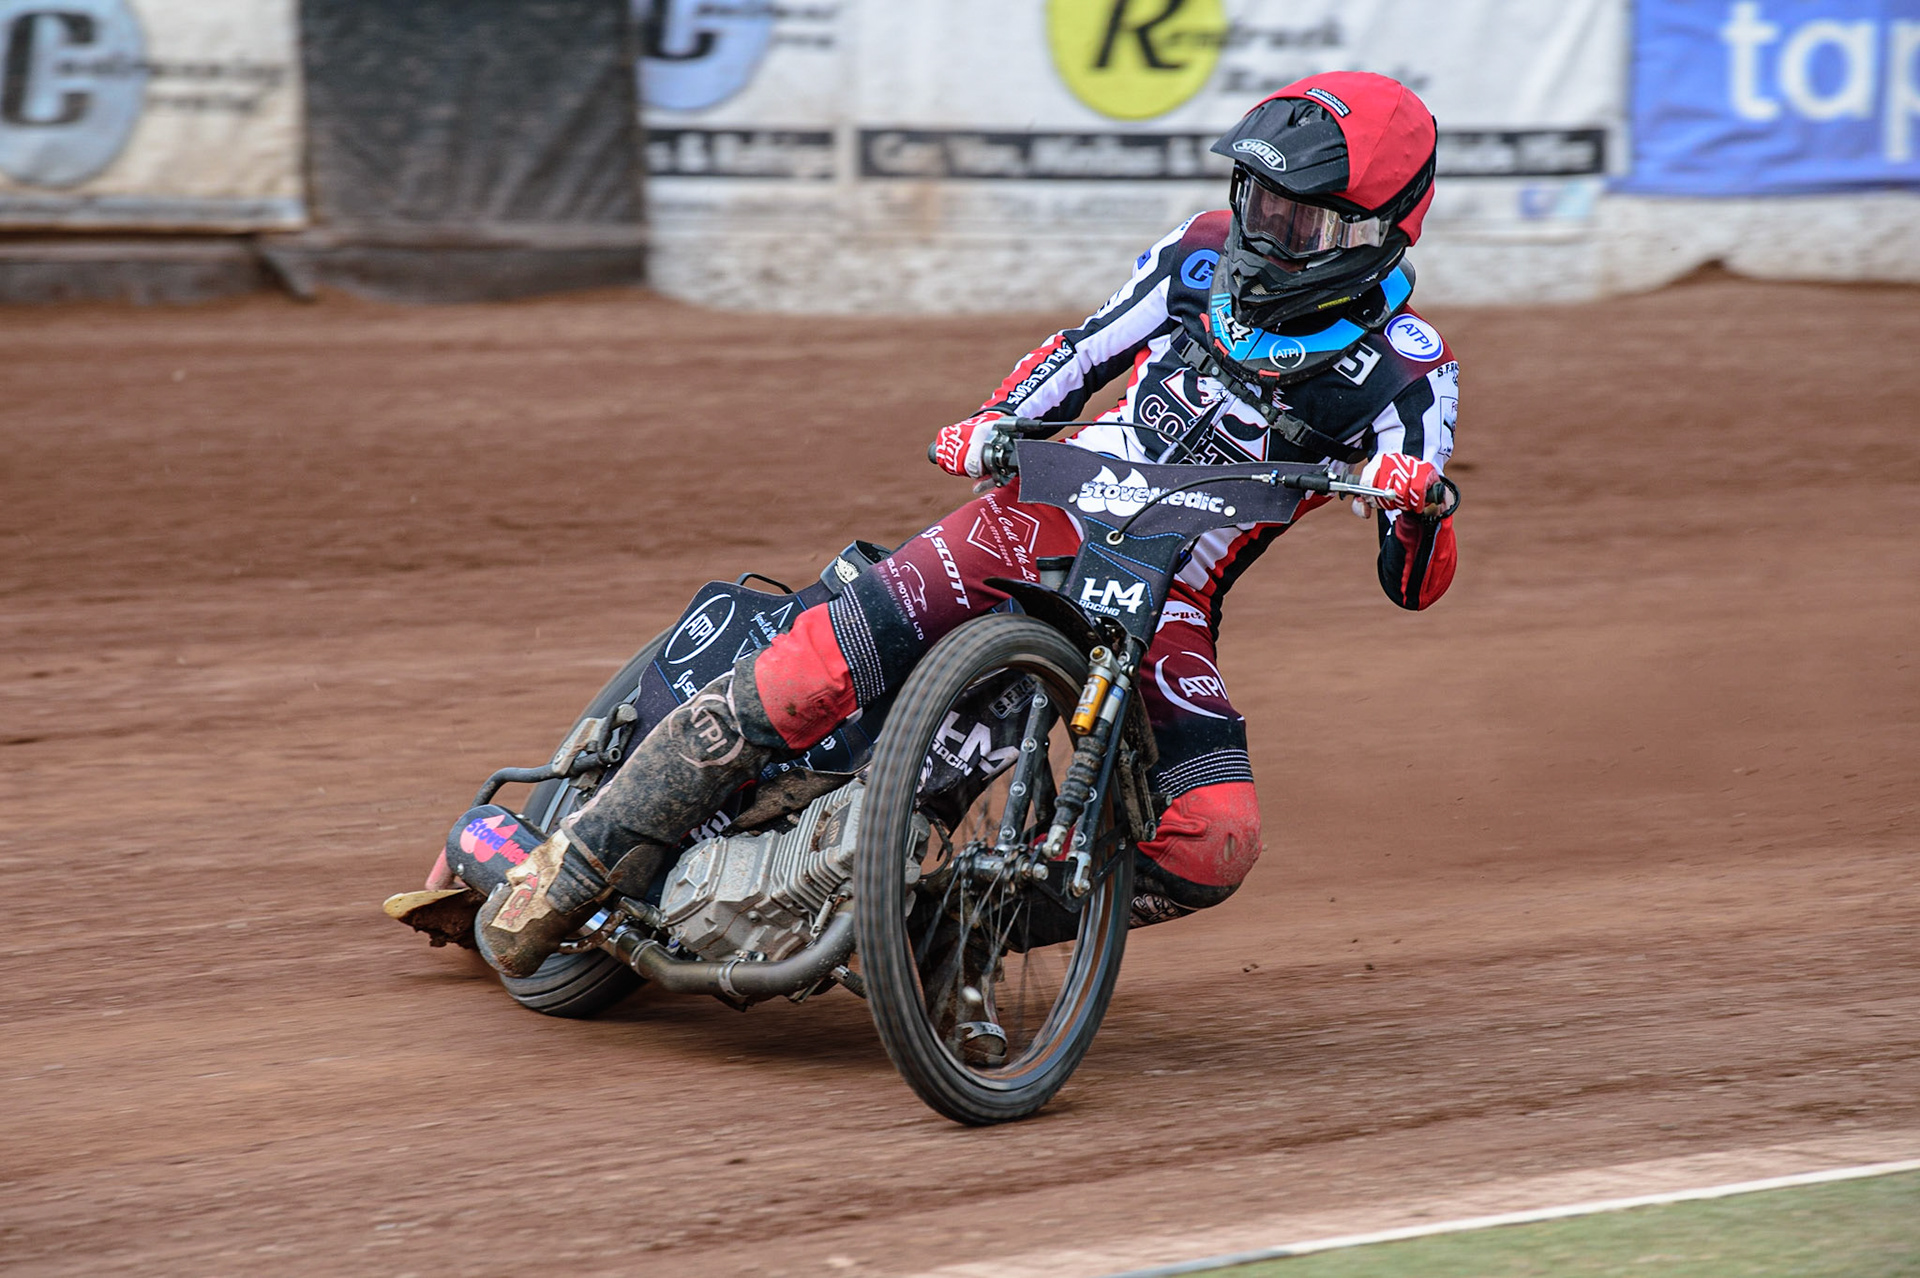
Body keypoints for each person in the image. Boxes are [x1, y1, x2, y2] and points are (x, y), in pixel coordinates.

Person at [475, 71, 1459, 978]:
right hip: (1038, 513)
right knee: (814, 669)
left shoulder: (1414, 371)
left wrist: (1417, 509)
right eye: (1260, 203)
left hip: (1170, 598)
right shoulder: (1199, 254)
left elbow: (1413, 581)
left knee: (1215, 837)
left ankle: (950, 932)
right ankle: (577, 858)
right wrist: (996, 423)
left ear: (1380, 233)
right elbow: (1079, 354)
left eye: (1304, 224)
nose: (1269, 234)